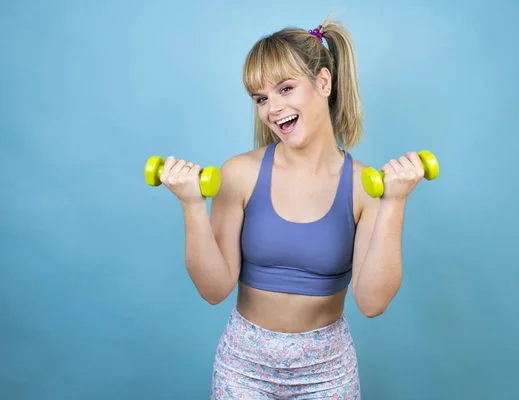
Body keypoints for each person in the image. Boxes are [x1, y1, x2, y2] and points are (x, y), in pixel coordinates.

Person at [159, 17, 425, 399]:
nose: (273, 108)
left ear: (323, 82)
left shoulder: (366, 187)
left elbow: (372, 302)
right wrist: (191, 205)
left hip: (327, 373)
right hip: (243, 369)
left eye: (285, 88)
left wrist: (395, 201)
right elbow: (214, 289)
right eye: (261, 98)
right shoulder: (239, 174)